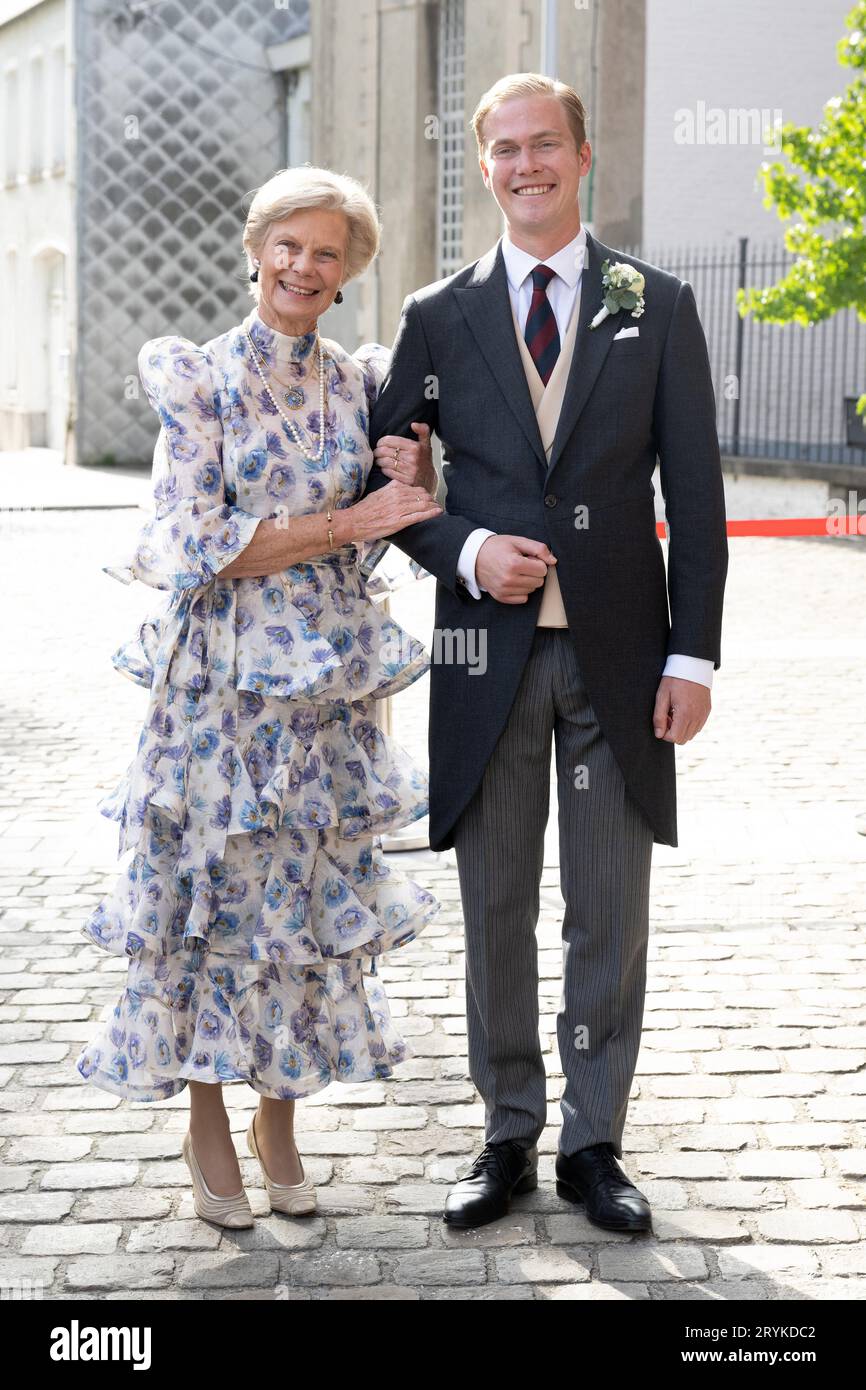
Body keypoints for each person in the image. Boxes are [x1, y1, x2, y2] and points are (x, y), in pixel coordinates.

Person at [363, 73, 729, 1232]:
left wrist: (694, 659)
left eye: (543, 146)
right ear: (485, 167)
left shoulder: (653, 303)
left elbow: (700, 500)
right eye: (503, 151)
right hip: (487, 655)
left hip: (622, 660)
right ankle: (506, 1129)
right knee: (495, 905)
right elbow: (383, 489)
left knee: (608, 912)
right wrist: (466, 552)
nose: (524, 166)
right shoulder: (435, 312)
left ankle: (594, 1141)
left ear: (579, 155)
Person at [75, 165, 443, 1229]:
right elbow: (188, 544)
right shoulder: (199, 380)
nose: (302, 265)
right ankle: (203, 1118)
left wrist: (405, 468)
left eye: (326, 252)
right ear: (254, 250)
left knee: (304, 904)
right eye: (287, 244)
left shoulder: (359, 381)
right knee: (211, 899)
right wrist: (337, 527)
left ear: (346, 276)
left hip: (323, 688)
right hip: (217, 688)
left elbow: (408, 504)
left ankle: (278, 1121)